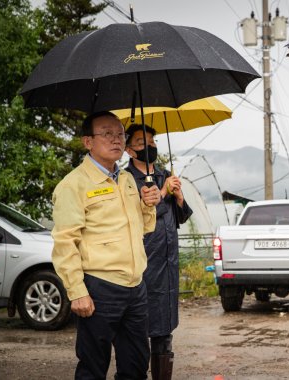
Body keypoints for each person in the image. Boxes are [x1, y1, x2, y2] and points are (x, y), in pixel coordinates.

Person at [51, 111, 162, 379]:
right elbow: (65, 242)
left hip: (135, 287)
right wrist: (77, 291)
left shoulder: (125, 179)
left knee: (136, 365)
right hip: (99, 288)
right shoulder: (74, 185)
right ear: (87, 142)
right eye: (107, 133)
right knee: (93, 366)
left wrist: (149, 205)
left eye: (120, 134)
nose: (116, 140)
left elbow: (144, 228)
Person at [124, 124, 193, 380]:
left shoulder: (164, 174)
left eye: (152, 142)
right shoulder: (127, 180)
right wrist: (162, 194)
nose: (150, 146)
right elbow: (139, 218)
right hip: (144, 265)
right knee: (140, 331)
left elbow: (180, 218)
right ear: (130, 150)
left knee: (164, 334)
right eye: (142, 142)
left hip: (168, 265)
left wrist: (178, 196)